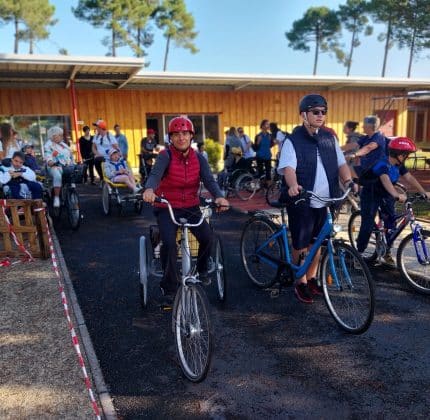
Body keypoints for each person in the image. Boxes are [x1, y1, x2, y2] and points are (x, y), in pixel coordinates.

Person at [278, 94, 354, 304]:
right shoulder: (292, 141)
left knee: (317, 243)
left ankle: (311, 278)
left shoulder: (329, 138)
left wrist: (348, 181)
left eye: (323, 112)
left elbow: (341, 164)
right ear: (304, 114)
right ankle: (300, 281)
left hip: (325, 200)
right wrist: (293, 186)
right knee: (301, 244)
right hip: (302, 199)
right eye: (315, 112)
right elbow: (289, 168)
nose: (320, 115)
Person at [143, 116, 229, 298]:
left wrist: (220, 197)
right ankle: (169, 287)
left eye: (185, 133)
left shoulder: (199, 158)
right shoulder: (165, 156)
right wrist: (149, 189)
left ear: (191, 136)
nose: (181, 137)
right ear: (171, 138)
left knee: (207, 237)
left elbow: (210, 181)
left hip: (191, 206)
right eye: (176, 134)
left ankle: (202, 269)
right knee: (169, 243)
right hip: (167, 206)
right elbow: (155, 175)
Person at [356, 137, 429, 262]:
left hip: (386, 195)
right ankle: (358, 255)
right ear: (397, 154)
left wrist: (423, 192)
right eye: (405, 154)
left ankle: (386, 251)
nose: (407, 157)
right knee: (367, 225)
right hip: (371, 194)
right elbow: (385, 180)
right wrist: (396, 195)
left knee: (391, 224)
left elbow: (410, 178)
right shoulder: (382, 164)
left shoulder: (399, 165)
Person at [44, 126, 74, 207]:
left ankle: (71, 193)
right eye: (60, 135)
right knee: (57, 175)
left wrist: (72, 162)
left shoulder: (63, 144)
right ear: (54, 136)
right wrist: (50, 161)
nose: (62, 137)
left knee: (74, 172)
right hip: (54, 166)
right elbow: (47, 155)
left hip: (66, 166)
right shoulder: (48, 145)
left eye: (62, 135)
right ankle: (57, 197)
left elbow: (70, 154)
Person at [255, 119, 274, 184]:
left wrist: (273, 142)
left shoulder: (270, 135)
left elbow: (270, 145)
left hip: (267, 156)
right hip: (259, 156)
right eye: (267, 124)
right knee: (261, 173)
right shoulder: (258, 136)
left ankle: (268, 189)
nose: (268, 126)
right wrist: (258, 142)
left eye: (268, 124)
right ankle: (262, 187)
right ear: (262, 126)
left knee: (268, 173)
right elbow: (255, 148)